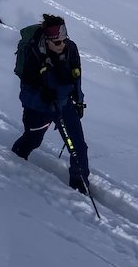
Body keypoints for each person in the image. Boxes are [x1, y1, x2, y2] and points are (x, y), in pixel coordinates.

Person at [12, 14, 89, 193]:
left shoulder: (71, 49)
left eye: (65, 39)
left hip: (64, 104)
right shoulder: (34, 56)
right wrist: (43, 97)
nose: (62, 45)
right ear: (47, 41)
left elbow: (76, 77)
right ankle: (14, 159)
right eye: (57, 42)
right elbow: (25, 94)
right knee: (32, 140)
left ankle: (80, 186)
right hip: (39, 109)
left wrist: (79, 101)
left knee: (78, 147)